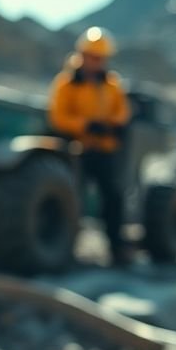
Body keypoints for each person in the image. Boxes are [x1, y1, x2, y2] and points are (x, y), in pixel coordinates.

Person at [48, 26, 132, 266]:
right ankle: (65, 249)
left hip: (105, 150)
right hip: (76, 151)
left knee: (113, 198)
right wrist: (85, 125)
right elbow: (58, 116)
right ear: (82, 55)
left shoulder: (112, 85)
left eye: (100, 58)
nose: (96, 62)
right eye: (92, 57)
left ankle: (117, 249)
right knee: (73, 199)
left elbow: (122, 111)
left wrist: (113, 125)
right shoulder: (66, 84)